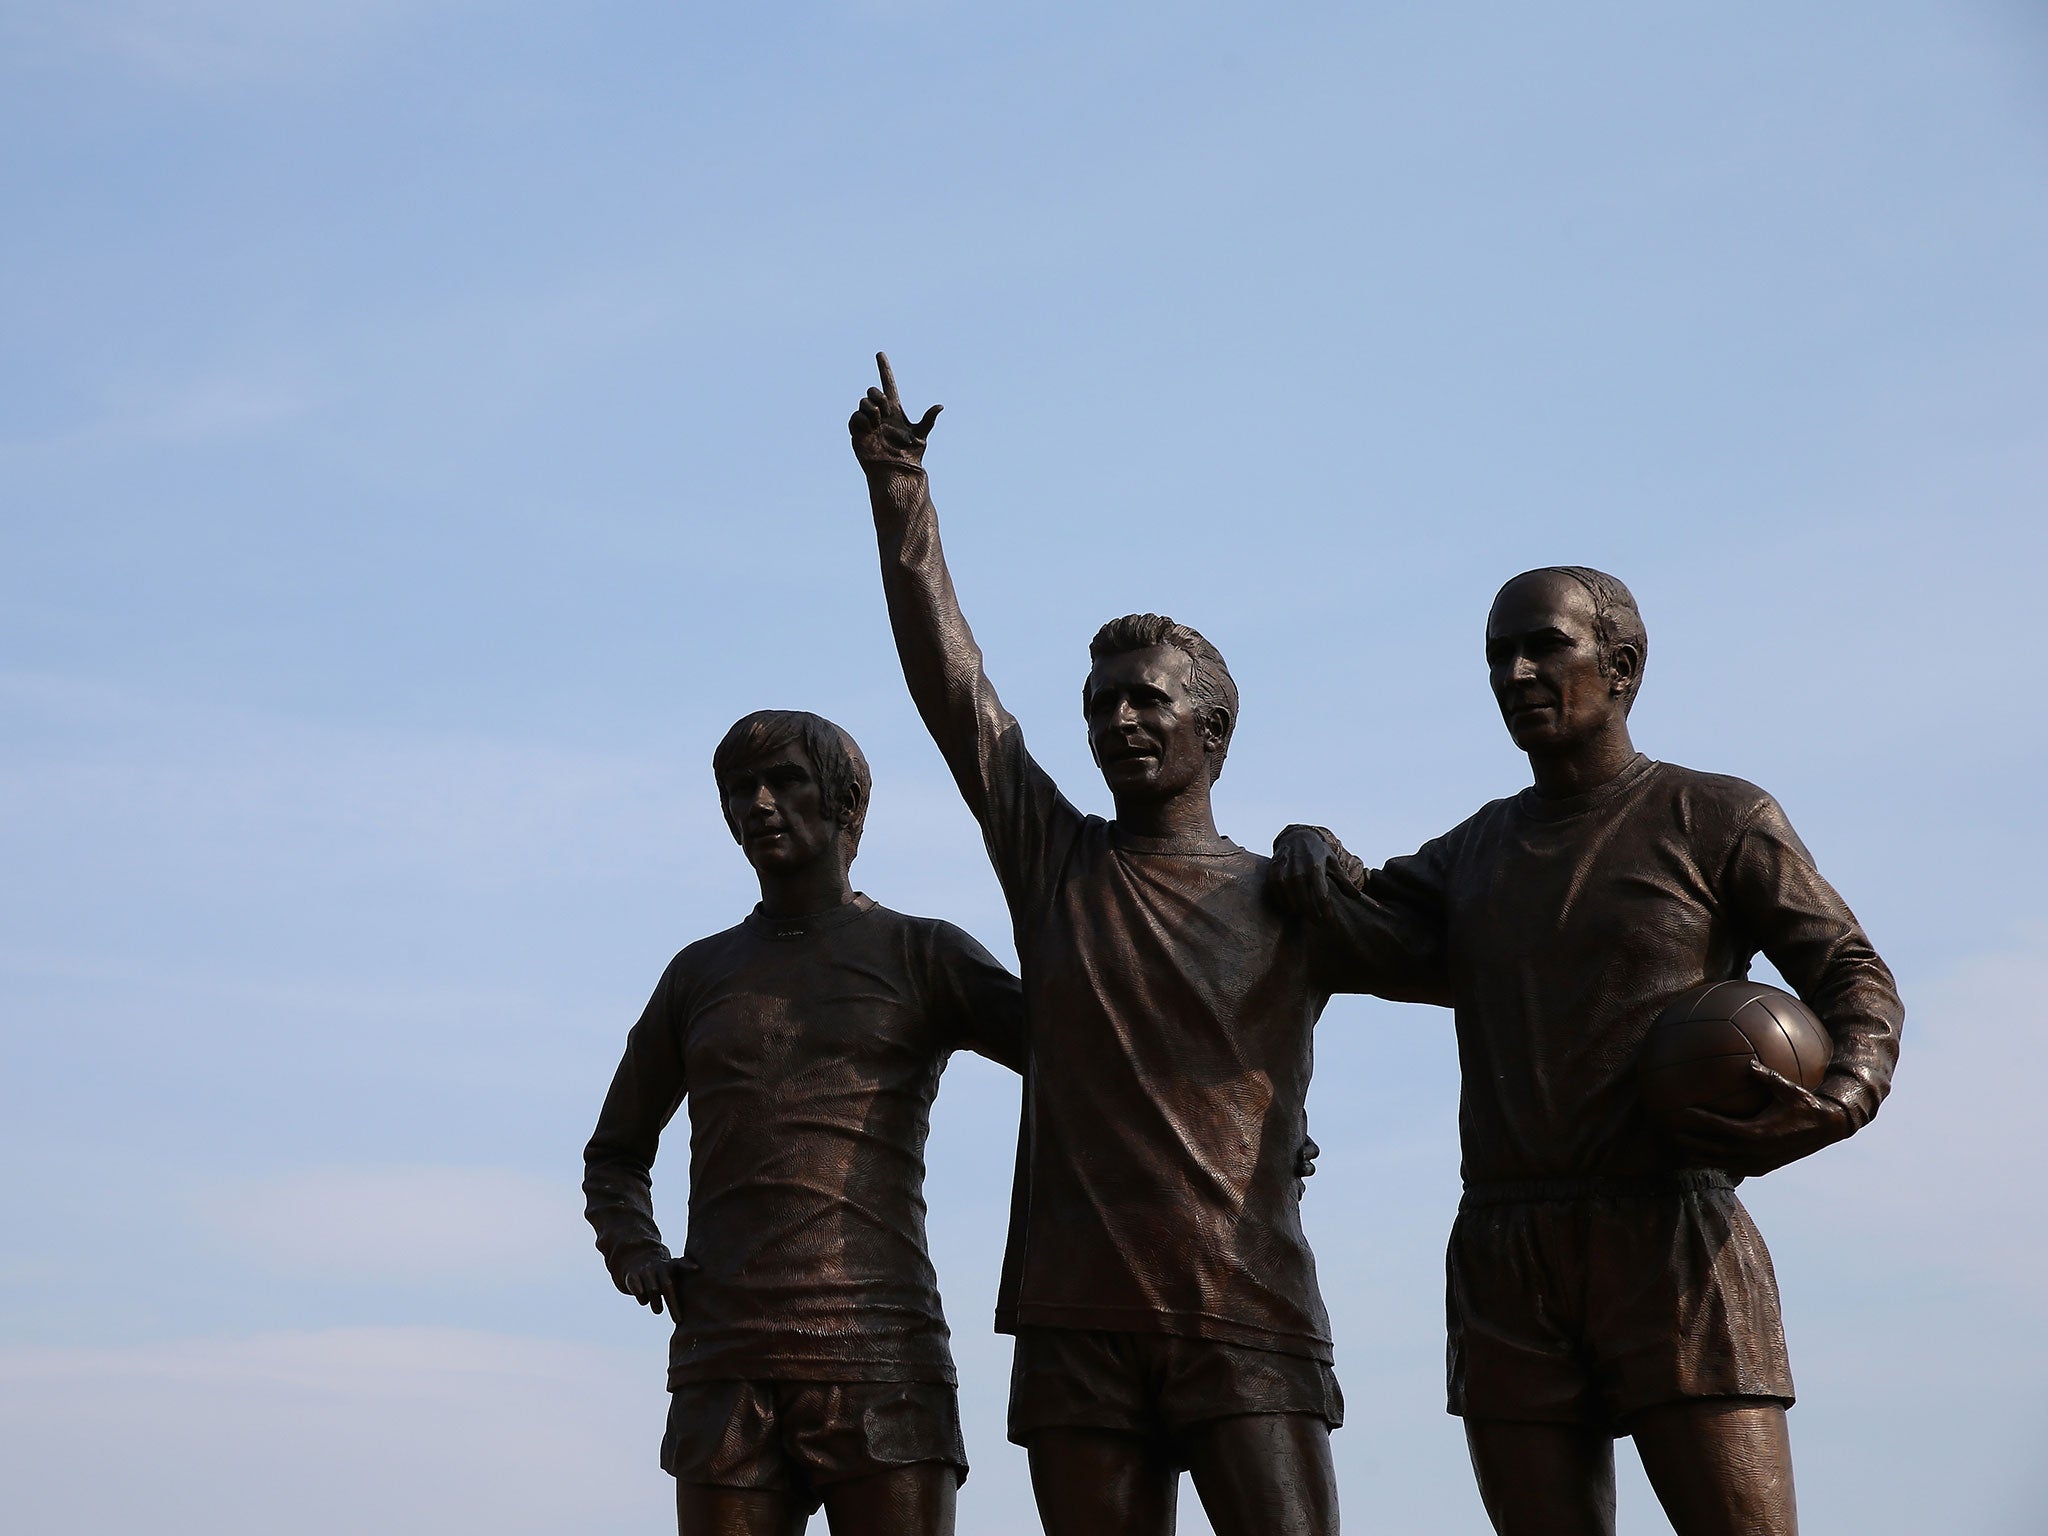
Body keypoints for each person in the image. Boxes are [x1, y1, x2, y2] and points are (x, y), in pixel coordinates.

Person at [850, 355, 1405, 1536]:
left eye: (1147, 700)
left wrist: (1335, 857)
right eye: (1101, 702)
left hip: (1242, 1309)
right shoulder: (1056, 863)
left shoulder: (1281, 895)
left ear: (1212, 728)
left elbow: (1477, 964)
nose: (1117, 719)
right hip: (1074, 1319)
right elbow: (954, 689)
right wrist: (900, 491)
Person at [1270, 566, 1904, 1536]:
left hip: (1670, 1236)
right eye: (1494, 656)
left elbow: (1850, 973)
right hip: (1504, 1250)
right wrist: (1304, 848)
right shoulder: (1471, 854)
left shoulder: (1714, 817)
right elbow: (1351, 929)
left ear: (1620, 667)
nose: (1514, 672)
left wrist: (1846, 1091)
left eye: (1541, 647)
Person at [582, 709, 1024, 1536]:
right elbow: (613, 1154)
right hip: (727, 1362)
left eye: (784, 781)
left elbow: (1087, 1063)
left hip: (881, 1354)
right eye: (737, 790)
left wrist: (1264, 1113)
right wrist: (633, 1249)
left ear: (848, 804)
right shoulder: (698, 974)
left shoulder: (922, 954)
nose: (757, 804)